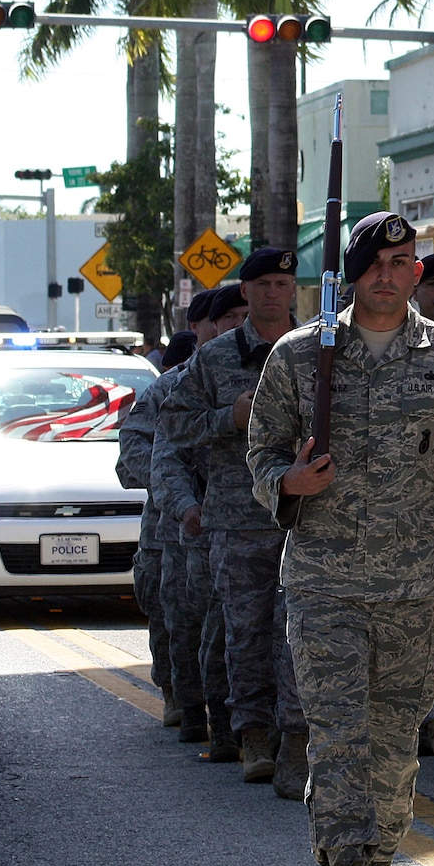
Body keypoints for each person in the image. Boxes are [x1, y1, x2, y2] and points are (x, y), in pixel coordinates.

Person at [247, 211, 434, 866]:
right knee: (338, 735)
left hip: (412, 590)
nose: (387, 276)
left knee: (392, 750)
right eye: (374, 265)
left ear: (416, 270)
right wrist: (286, 482)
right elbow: (260, 452)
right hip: (324, 583)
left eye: (400, 263)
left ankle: (374, 861)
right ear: (353, 273)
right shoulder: (301, 355)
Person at [161, 251, 306, 798]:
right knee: (245, 634)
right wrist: (228, 418)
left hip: (303, 518)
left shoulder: (316, 351)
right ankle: (253, 736)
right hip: (239, 520)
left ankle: (298, 736)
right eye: (265, 284)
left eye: (284, 284)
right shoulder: (217, 357)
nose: (275, 294)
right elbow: (173, 424)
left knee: (296, 636)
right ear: (244, 293)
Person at [151, 288, 249, 762]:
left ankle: (257, 725)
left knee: (264, 632)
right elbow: (159, 454)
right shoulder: (186, 380)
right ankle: (200, 709)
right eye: (227, 316)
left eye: (242, 316)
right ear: (205, 325)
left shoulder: (286, 365)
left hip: (268, 524)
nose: (236, 324)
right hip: (201, 527)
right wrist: (185, 506)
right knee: (199, 624)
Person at [118, 328, 195, 728]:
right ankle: (175, 694)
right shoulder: (168, 388)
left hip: (238, 523)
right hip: (168, 525)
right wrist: (176, 482)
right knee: (170, 614)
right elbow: (132, 451)